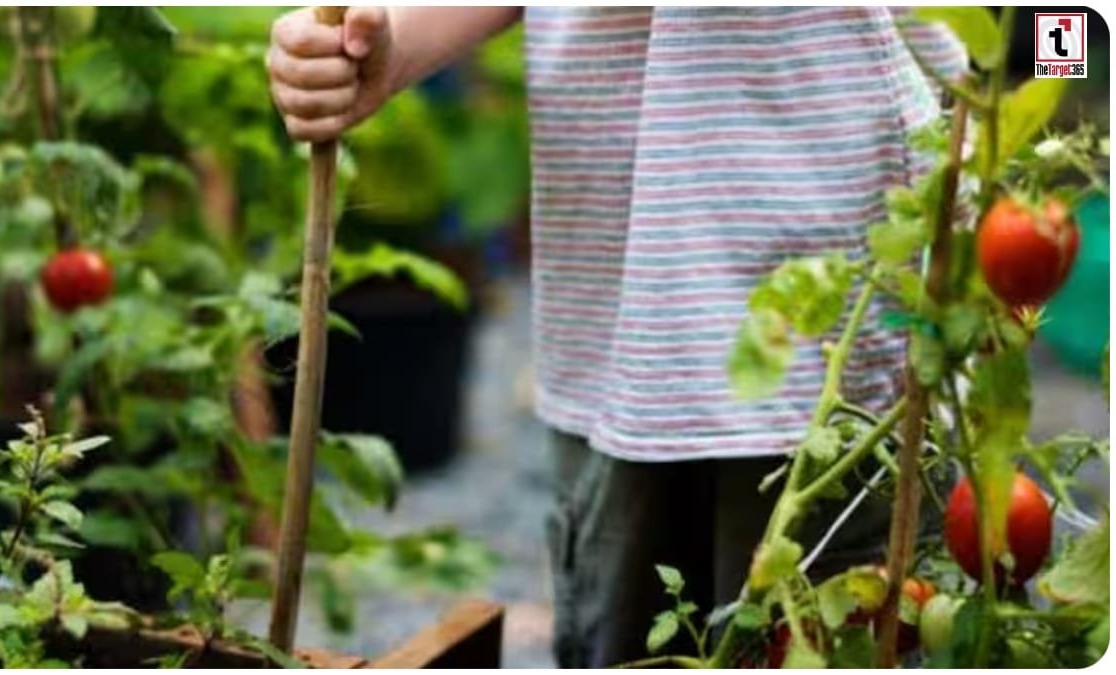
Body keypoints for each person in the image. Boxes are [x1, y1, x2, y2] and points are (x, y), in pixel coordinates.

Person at [267, 7, 966, 668]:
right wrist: (386, 49)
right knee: (627, 631)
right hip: (617, 309)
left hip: (835, 281)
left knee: (834, 619)